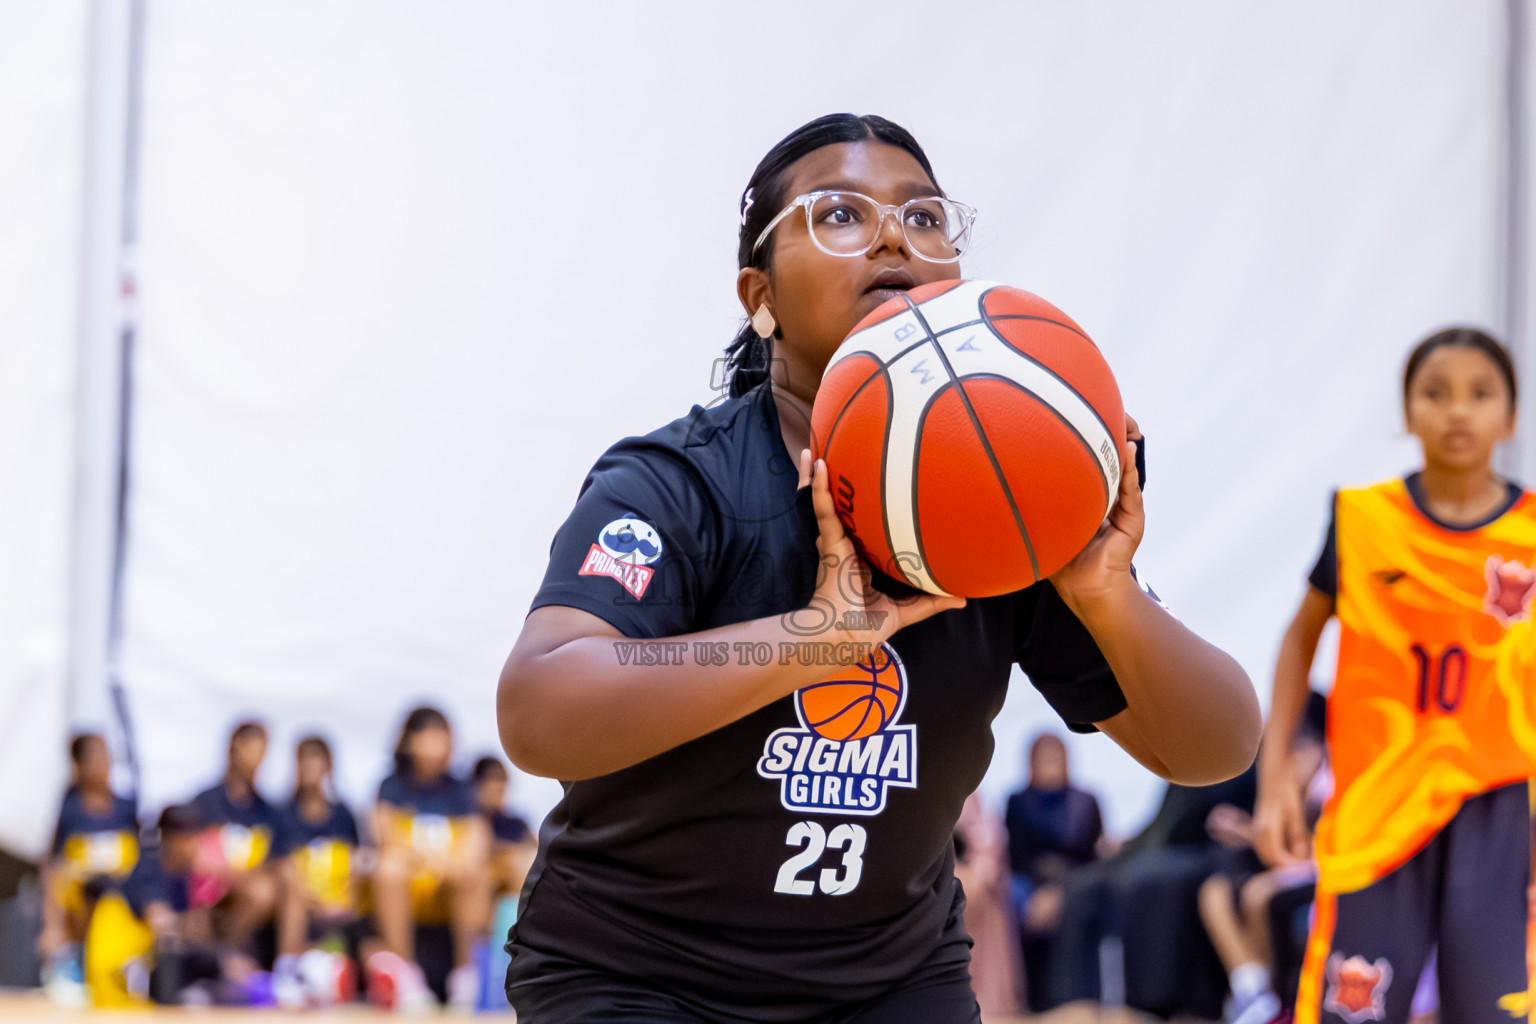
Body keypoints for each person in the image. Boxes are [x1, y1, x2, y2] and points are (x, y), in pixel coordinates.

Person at [496, 112, 1260, 1022]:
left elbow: (1213, 746)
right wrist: (811, 642)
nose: (896, 232)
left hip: (889, 983)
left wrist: (1104, 592)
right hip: (637, 974)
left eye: (925, 216)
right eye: (841, 214)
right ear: (760, 295)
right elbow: (540, 710)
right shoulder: (680, 482)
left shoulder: (1008, 494)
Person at [1254, 328, 1536, 1024]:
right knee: (1354, 1011)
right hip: (1379, 802)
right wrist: (1274, 781)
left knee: (1496, 1010)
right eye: (1435, 393)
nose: (1458, 410)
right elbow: (1297, 643)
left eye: (1480, 392)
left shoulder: (1531, 533)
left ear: (1511, 416)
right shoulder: (1363, 520)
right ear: (1408, 412)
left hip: (1499, 806)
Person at [369, 706, 490, 1012]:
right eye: (432, 737)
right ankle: (407, 974)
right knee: (389, 867)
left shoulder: (462, 789)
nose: (440, 746)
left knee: (476, 871)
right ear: (411, 741)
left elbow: (478, 837)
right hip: (412, 881)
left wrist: (453, 864)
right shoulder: (391, 787)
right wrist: (429, 860)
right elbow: (385, 836)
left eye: (444, 738)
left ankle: (466, 976)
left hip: (451, 883)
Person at [38, 734, 140, 1005]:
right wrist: (52, 925)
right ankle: (71, 967)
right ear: (79, 765)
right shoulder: (69, 809)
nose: (104, 764)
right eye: (95, 757)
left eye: (107, 756)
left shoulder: (126, 807)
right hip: (81, 900)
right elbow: (53, 866)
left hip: (122, 898)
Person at [271, 735, 365, 1009]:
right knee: (293, 888)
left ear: (328, 767)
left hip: (340, 900)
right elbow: (280, 866)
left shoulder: (344, 815)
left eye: (317, 761)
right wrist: (314, 899)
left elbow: (357, 862)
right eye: (305, 761)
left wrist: (346, 898)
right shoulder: (284, 814)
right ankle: (288, 970)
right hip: (302, 898)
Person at [189, 720, 282, 958]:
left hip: (247, 890)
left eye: (263, 751)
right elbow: (191, 852)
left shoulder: (265, 810)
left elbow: (272, 859)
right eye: (253, 748)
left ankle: (226, 950)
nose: (258, 758)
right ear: (236, 747)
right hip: (207, 887)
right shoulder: (206, 802)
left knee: (264, 891)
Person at [471, 756, 537, 901]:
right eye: (493, 778)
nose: (499, 785)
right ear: (476, 783)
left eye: (503, 779)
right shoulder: (469, 820)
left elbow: (538, 849)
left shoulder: (517, 823)